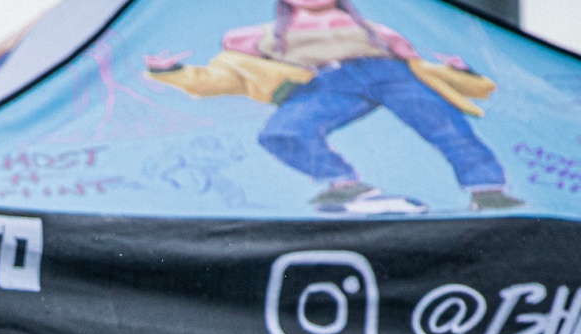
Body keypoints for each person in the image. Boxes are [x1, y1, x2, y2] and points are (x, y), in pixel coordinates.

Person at [146, 0, 521, 215]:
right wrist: (170, 71)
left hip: (388, 72)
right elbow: (225, 76)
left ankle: (487, 188)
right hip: (328, 81)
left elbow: (421, 66)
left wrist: (460, 72)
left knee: (445, 126)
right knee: (282, 131)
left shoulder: (377, 30)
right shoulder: (256, 37)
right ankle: (345, 185)